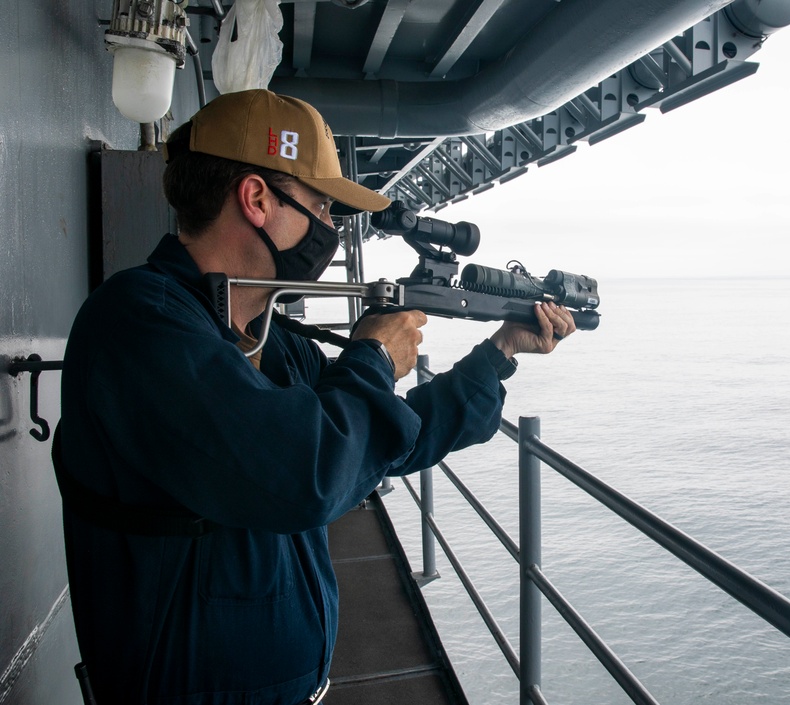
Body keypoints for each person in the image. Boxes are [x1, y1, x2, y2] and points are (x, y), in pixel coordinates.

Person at [57, 89, 575, 704]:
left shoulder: (270, 341)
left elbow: (372, 440)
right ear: (256, 200)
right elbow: (308, 473)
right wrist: (374, 356)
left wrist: (498, 355)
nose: (330, 230)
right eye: (322, 207)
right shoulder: (140, 324)